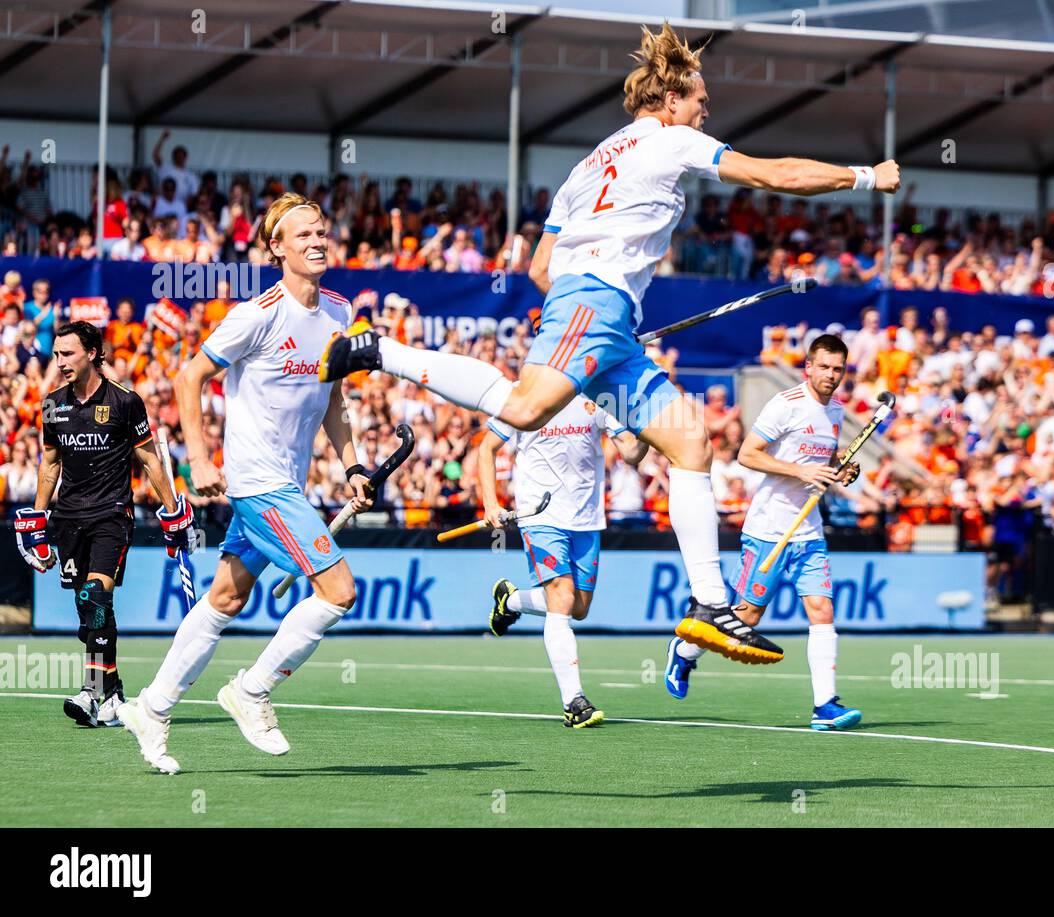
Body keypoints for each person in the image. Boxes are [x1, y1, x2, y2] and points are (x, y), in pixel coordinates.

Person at [319, 22, 900, 666]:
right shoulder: (672, 140)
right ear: (671, 99)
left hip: (606, 316)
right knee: (521, 411)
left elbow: (540, 271)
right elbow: (773, 174)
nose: (706, 111)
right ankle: (380, 351)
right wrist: (864, 176)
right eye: (700, 100)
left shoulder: (588, 163)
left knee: (690, 440)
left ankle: (710, 605)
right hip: (595, 305)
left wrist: (604, 319)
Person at [118, 193, 370, 775]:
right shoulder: (256, 314)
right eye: (302, 234)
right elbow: (190, 377)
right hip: (259, 484)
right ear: (276, 247)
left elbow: (335, 400)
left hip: (289, 482)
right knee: (338, 592)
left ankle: (151, 707)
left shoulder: (338, 309)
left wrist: (353, 464)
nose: (316, 240)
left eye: (322, 231)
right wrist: (200, 462)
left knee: (227, 598)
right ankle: (252, 690)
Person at [664, 334, 863, 729]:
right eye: (823, 367)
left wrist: (841, 470)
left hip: (809, 532)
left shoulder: (837, 412)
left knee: (822, 610)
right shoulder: (785, 405)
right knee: (747, 617)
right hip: (769, 528)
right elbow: (748, 454)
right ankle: (685, 653)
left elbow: (822, 460)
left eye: (837, 369)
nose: (831, 375)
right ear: (808, 367)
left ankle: (825, 705)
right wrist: (802, 471)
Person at [15, 321, 194, 728]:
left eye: (68, 354)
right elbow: (50, 463)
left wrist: (173, 512)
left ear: (93, 353)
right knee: (90, 613)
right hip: (68, 519)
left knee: (95, 596)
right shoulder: (51, 404)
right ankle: (113, 694)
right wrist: (40, 517)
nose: (60, 362)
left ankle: (92, 691)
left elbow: (149, 459)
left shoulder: (125, 401)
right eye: (57, 354)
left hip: (112, 514)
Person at [478, 393, 647, 727]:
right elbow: (486, 448)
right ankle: (574, 702)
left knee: (578, 608)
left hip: (587, 518)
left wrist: (647, 427)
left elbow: (631, 453)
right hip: (539, 514)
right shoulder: (524, 392)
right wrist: (489, 503)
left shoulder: (599, 393)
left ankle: (510, 601)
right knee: (563, 597)